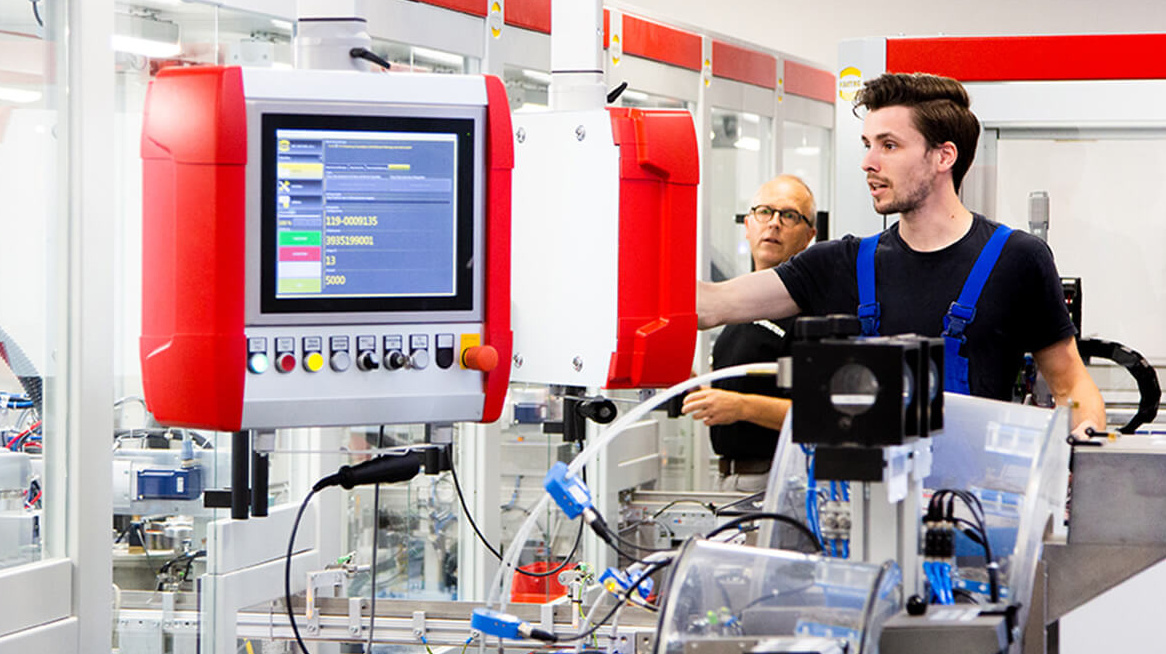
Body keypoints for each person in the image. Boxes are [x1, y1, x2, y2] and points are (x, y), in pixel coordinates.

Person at [697, 73, 1104, 436]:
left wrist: (1085, 447)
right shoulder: (838, 264)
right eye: (868, 144)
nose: (868, 162)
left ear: (944, 156)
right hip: (864, 506)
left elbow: (1070, 384)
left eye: (888, 145)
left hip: (972, 509)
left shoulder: (1017, 259)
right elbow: (710, 305)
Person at [682, 175, 817, 492]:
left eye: (789, 215)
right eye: (764, 212)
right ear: (747, 224)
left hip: (777, 480)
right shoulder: (738, 304)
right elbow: (738, 389)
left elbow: (818, 416)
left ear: (810, 235)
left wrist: (740, 406)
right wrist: (693, 386)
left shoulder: (809, 312)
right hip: (730, 480)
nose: (773, 224)